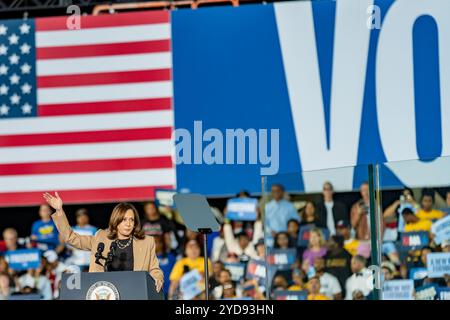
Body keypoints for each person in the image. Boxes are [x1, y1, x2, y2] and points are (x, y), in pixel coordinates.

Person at [42, 192, 163, 292]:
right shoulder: (101, 238)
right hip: (106, 292)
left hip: (135, 291)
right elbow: (71, 238)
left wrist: (158, 277)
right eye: (124, 219)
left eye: (131, 219)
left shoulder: (146, 242)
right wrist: (59, 211)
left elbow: (154, 269)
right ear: (116, 220)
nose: (128, 223)